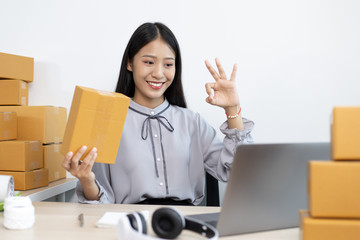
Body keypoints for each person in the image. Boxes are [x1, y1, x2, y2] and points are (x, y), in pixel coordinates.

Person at [62, 22, 254, 205]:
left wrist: (232, 109)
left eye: (168, 64)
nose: (159, 73)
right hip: (131, 222)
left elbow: (239, 172)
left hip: (184, 223)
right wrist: (86, 179)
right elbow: (101, 204)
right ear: (130, 63)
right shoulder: (107, 122)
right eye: (149, 62)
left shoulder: (192, 122)